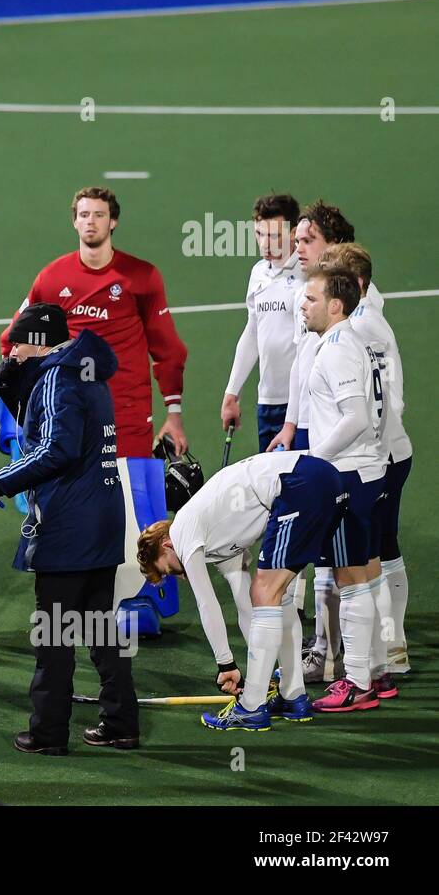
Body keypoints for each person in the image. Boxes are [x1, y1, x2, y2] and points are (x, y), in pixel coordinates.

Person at [0, 187, 188, 614]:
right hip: (68, 417)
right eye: (83, 215)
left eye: (99, 215)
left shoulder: (142, 277)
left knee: (132, 509)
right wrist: (21, 411)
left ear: (113, 221)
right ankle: (90, 603)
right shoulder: (51, 278)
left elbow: (168, 350)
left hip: (127, 415)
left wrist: (173, 413)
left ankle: (142, 601)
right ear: (74, 221)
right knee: (76, 504)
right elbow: (14, 340)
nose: (90, 222)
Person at [0, 304, 135, 755]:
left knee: (54, 634)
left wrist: (2, 481)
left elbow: (55, 450)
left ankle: (47, 733)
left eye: (16, 347)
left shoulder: (56, 378)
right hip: (103, 518)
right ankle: (120, 723)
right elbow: (57, 432)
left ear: (39, 344)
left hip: (69, 525)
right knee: (100, 628)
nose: (11, 356)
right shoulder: (87, 372)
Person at [135, 451, 348, 731]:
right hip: (324, 479)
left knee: (266, 593)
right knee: (276, 597)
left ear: (166, 546)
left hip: (299, 485)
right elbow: (245, 605)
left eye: (167, 569)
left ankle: (251, 707)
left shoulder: (183, 532)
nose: (178, 574)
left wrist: (226, 665)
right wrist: (257, 662)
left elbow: (206, 603)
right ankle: (293, 695)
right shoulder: (217, 539)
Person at [265, 201, 359, 683]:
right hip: (309, 433)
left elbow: (359, 405)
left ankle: (349, 660)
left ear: (332, 246)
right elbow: (301, 372)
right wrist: (289, 426)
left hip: (340, 448)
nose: (295, 247)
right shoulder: (314, 294)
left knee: (343, 559)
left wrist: (316, 450)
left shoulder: (350, 310)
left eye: (306, 241)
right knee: (324, 553)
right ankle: (326, 650)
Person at [298, 267, 390, 712]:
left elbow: (354, 417)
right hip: (367, 472)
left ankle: (355, 683)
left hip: (348, 476)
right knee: (366, 579)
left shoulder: (336, 349)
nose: (303, 305)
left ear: (335, 305)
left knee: (350, 581)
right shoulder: (354, 340)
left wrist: (315, 460)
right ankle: (373, 670)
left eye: (311, 299)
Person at [322, 244, 411, 681]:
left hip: (370, 459)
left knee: (365, 563)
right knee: (372, 559)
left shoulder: (357, 331)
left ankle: (375, 664)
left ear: (351, 288)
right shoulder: (361, 325)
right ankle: (380, 660)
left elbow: (385, 403)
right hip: (376, 458)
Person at [220, 193, 304, 451]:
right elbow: (253, 332)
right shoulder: (258, 273)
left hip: (302, 404)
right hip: (267, 401)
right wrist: (232, 392)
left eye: (275, 236)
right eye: (259, 234)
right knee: (268, 486)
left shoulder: (308, 275)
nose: (265, 244)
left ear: (293, 234)